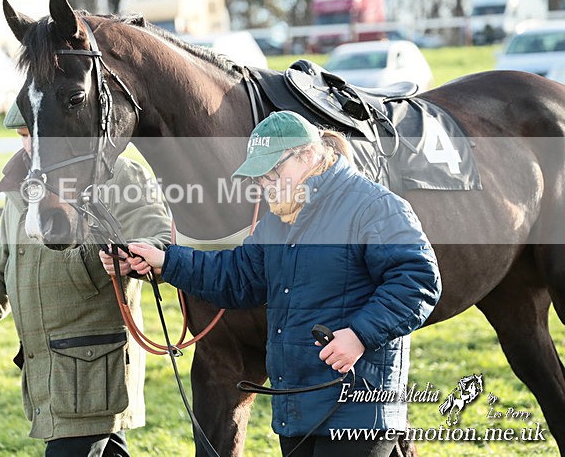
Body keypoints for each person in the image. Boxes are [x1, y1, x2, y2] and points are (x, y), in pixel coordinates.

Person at [102, 111, 442, 457]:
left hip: (358, 408)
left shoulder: (373, 206)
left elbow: (419, 280)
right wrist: (165, 261)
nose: (266, 185)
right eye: (260, 178)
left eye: (272, 172)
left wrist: (358, 335)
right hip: (296, 409)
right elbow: (236, 276)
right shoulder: (280, 220)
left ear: (308, 155)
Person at [0, 103, 171, 457]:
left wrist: (135, 257)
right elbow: (4, 262)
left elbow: (159, 237)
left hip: (94, 371)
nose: (30, 147)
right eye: (23, 137)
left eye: (38, 135)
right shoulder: (21, 186)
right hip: (48, 369)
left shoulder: (119, 176)